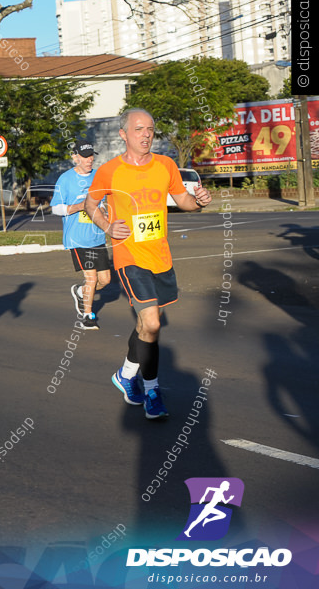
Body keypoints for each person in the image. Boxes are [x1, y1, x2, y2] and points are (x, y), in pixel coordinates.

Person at [84, 108, 211, 420]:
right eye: (138, 129)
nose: (146, 134)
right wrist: (107, 226)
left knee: (145, 326)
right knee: (153, 324)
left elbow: (182, 200)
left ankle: (126, 375)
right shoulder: (110, 171)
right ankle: (152, 389)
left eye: (150, 129)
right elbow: (90, 202)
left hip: (161, 258)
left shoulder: (166, 165)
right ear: (124, 135)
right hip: (129, 257)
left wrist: (198, 202)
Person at [51, 138, 111, 330]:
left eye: (91, 156)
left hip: (97, 236)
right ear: (75, 157)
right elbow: (56, 209)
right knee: (91, 278)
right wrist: (80, 206)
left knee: (105, 280)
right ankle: (87, 316)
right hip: (77, 238)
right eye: (85, 157)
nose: (89, 160)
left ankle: (79, 291)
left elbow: (105, 200)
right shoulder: (65, 179)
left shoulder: (98, 176)